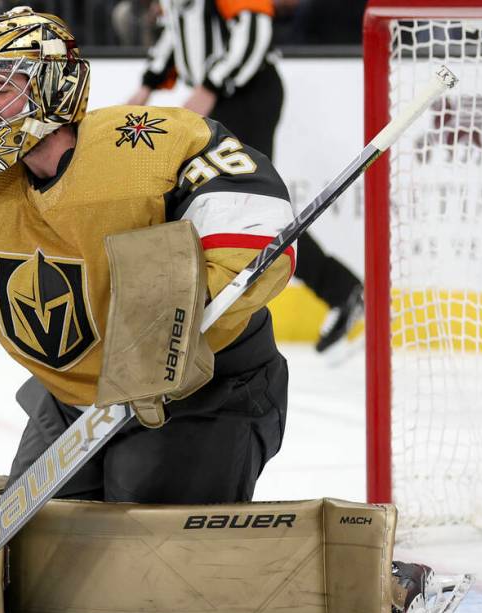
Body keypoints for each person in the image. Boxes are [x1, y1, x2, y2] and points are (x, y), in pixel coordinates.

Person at [0, 7, 468, 613]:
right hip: (77, 400)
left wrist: (175, 326)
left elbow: (252, 210)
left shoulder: (148, 142)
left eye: (7, 83)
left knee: (151, 554)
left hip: (206, 391)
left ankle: (373, 582)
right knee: (37, 563)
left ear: (56, 88)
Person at [127, 0, 364, 353]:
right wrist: (148, 84)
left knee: (248, 209)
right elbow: (178, 33)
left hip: (247, 93)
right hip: (226, 96)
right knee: (221, 204)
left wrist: (210, 86)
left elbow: (254, 31)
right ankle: (340, 290)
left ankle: (341, 290)